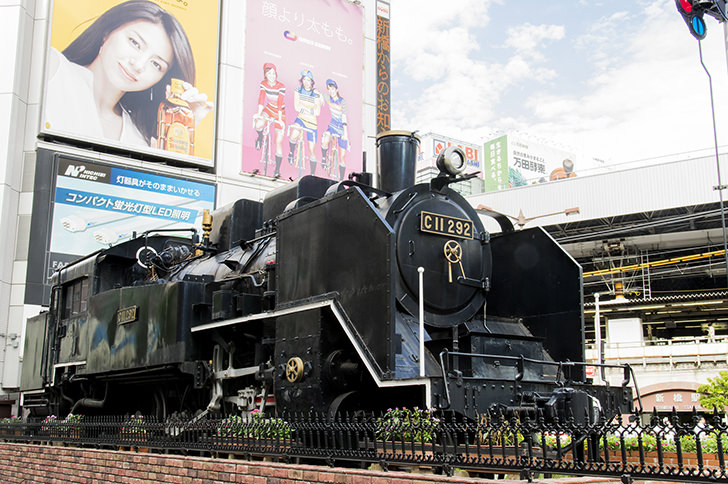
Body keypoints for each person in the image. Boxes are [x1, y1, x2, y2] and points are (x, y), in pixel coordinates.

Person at [43, 0, 213, 148]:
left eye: (156, 64)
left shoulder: (139, 138)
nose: (138, 65)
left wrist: (182, 124)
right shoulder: (52, 67)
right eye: (134, 43)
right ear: (107, 33)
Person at [254, 63, 286, 177]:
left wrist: (280, 120)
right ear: (265, 75)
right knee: (258, 124)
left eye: (273, 73)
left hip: (280, 112)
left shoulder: (281, 86)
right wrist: (258, 114)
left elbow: (279, 102)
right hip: (268, 109)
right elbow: (261, 99)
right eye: (269, 73)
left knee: (278, 142)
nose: (272, 76)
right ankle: (260, 136)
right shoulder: (263, 84)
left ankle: (277, 170)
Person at [288, 70, 322, 175]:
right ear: (302, 81)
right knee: (294, 135)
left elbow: (318, 112)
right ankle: (291, 152)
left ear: (312, 82)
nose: (306, 82)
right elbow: (297, 107)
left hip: (312, 123)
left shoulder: (315, 94)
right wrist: (309, 110)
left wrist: (306, 109)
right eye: (304, 79)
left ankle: (312, 173)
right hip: (301, 119)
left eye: (308, 80)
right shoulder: (298, 91)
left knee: (312, 150)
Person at [320, 79, 348, 180]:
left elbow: (344, 116)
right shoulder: (328, 97)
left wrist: (345, 133)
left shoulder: (342, 101)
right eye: (329, 89)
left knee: (342, 157)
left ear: (336, 89)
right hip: (332, 126)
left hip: (341, 128)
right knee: (325, 140)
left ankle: (341, 179)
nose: (331, 91)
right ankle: (324, 158)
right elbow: (318, 93)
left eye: (332, 89)